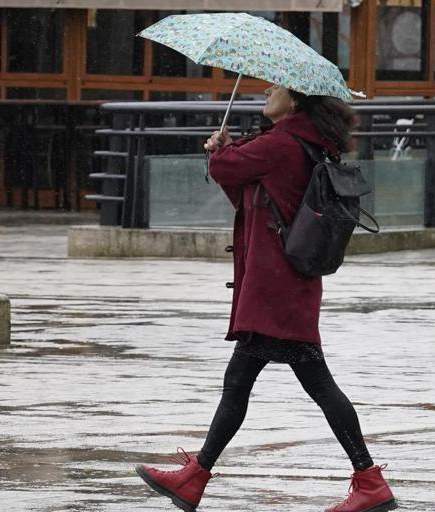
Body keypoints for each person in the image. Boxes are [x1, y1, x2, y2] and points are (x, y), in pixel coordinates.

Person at [134, 84, 398, 512]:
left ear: (293, 101)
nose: (266, 92)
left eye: (274, 88)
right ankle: (196, 478)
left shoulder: (279, 144)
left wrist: (219, 150)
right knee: (258, 382)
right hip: (287, 286)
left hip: (277, 289)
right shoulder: (305, 143)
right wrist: (224, 155)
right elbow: (249, 194)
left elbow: (227, 170)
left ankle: (368, 481)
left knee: (284, 384)